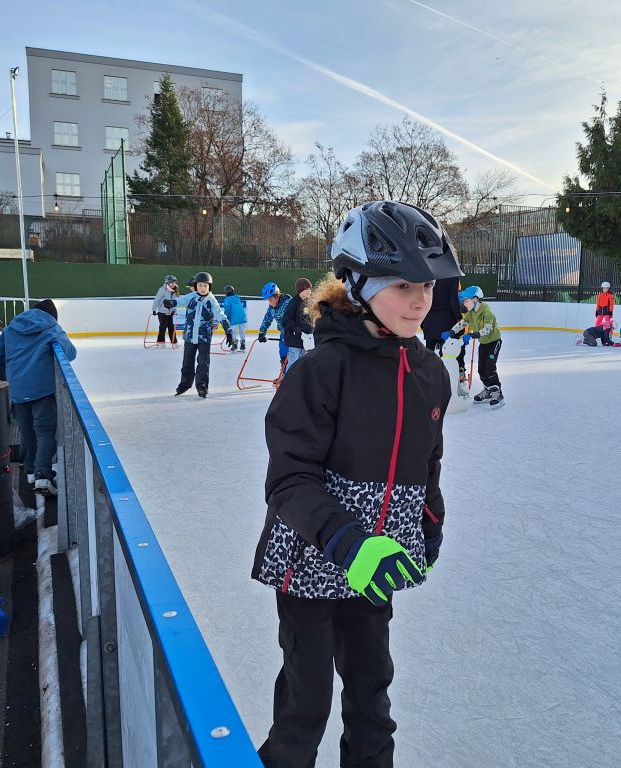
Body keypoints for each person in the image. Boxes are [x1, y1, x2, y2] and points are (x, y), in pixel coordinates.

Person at [253, 200, 458, 768]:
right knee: (306, 701)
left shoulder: (429, 373)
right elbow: (290, 478)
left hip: (379, 561)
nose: (420, 301)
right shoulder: (321, 371)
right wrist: (347, 542)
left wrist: (430, 524)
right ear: (359, 284)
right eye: (402, 285)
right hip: (314, 557)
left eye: (428, 285)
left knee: (371, 694)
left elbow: (428, 463)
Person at [0, 299, 76, 495]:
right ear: (52, 316)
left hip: (18, 390)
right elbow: (70, 353)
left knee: (26, 431)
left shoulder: (10, 329)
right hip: (42, 390)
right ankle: (42, 475)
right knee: (44, 432)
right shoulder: (51, 328)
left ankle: (29, 471)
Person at [174, 272, 233, 398]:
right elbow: (180, 301)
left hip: (204, 338)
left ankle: (202, 387)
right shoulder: (191, 296)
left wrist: (228, 330)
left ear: (209, 287)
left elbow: (220, 314)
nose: (202, 288)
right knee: (187, 362)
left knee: (203, 363)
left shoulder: (211, 300)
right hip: (190, 336)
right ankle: (185, 384)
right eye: (200, 285)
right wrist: (171, 303)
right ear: (196, 286)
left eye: (205, 286)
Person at [448, 286, 504, 409]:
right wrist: (451, 332)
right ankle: (488, 390)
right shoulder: (470, 313)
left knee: (489, 368)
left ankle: (497, 393)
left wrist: (472, 335)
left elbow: (488, 329)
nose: (464, 304)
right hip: (483, 344)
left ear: (475, 299)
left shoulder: (486, 311)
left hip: (494, 342)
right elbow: (461, 324)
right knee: (481, 370)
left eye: (466, 301)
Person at [422, 275, 467, 390]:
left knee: (429, 351)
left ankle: (427, 379)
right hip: (447, 320)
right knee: (449, 353)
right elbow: (453, 299)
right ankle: (457, 375)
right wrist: (458, 317)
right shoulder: (452, 275)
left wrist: (423, 321)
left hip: (429, 319)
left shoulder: (429, 273)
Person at [257, 281, 293, 372]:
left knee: (293, 356)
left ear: (277, 296)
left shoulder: (289, 303)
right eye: (268, 300)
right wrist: (262, 332)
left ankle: (294, 375)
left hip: (293, 334)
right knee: (283, 356)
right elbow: (267, 319)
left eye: (271, 300)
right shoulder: (271, 308)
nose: (270, 302)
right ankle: (284, 374)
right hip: (283, 333)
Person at [281, 277, 314, 370]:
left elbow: (308, 319)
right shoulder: (294, 302)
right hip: (295, 341)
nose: (309, 291)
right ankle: (289, 379)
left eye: (310, 289)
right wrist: (296, 328)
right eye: (307, 289)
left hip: (305, 342)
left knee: (303, 367)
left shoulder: (307, 302)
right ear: (301, 290)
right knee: (294, 366)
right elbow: (285, 320)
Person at [151, 275, 179, 345]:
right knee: (163, 327)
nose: (173, 284)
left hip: (170, 312)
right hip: (162, 312)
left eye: (174, 283)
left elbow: (176, 302)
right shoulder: (162, 289)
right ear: (167, 283)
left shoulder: (175, 290)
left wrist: (174, 310)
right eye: (172, 283)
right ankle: (160, 342)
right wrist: (154, 309)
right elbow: (157, 299)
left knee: (171, 327)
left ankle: (174, 342)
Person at [221, 285, 247, 352]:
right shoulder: (237, 298)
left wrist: (226, 318)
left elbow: (227, 310)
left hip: (234, 318)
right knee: (242, 331)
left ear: (226, 292)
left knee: (233, 332)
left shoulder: (227, 300)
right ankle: (243, 344)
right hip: (242, 317)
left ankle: (234, 344)